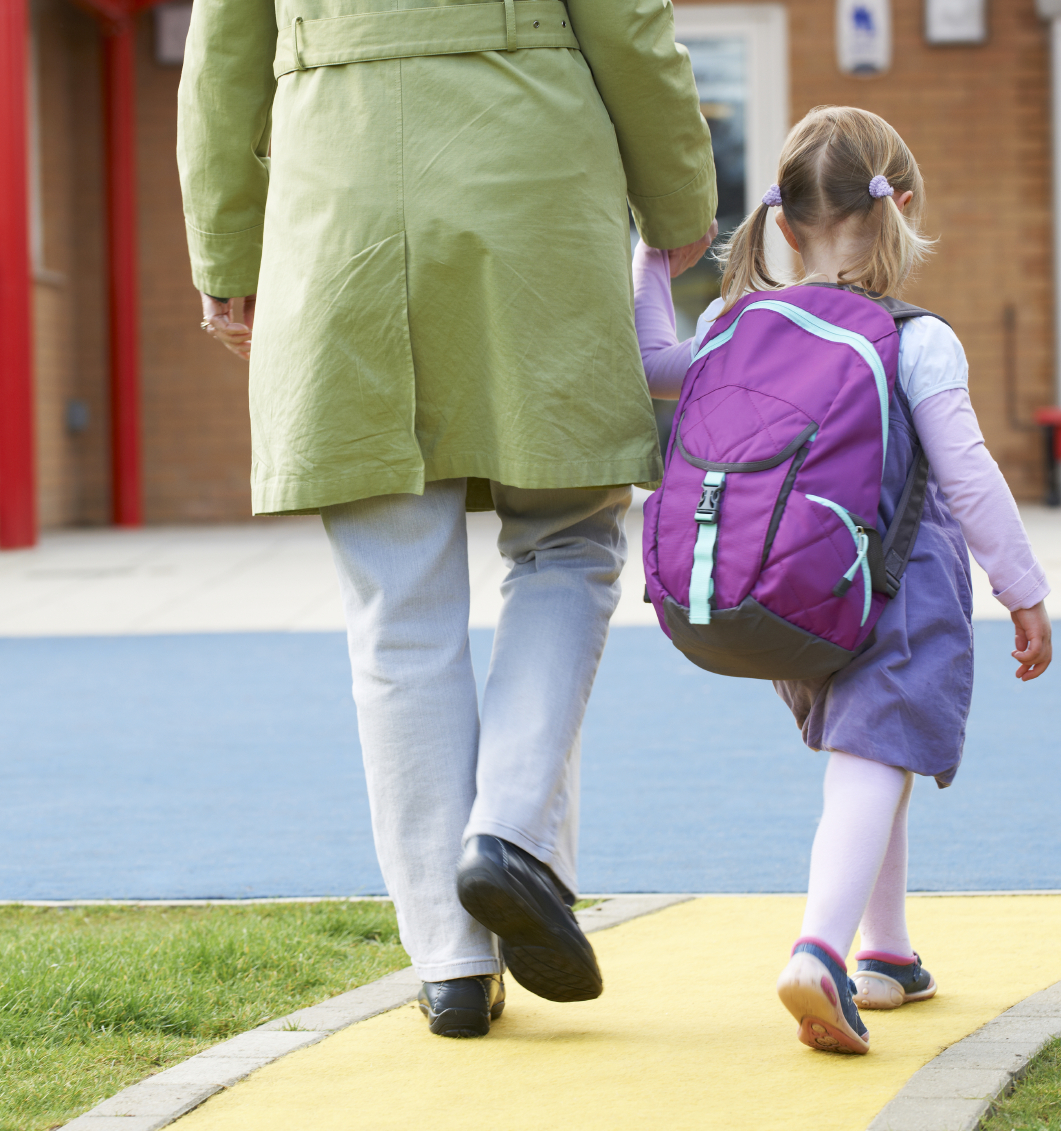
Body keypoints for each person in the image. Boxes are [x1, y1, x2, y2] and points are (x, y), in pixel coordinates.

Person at [177, 0, 718, 1037]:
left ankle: (453, 962)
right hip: (528, 185)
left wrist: (226, 251)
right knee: (566, 539)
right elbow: (631, 25)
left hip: (340, 200)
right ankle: (511, 832)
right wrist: (678, 194)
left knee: (396, 601)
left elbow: (220, 61)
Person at [633, 105, 1054, 1055]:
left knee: (873, 754)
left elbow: (657, 365)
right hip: (899, 588)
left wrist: (653, 263)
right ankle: (818, 949)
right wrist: (1021, 588)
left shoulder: (734, 318)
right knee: (876, 757)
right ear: (900, 207)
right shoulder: (914, 337)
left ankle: (887, 952)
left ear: (783, 225)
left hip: (798, 588)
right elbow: (968, 473)